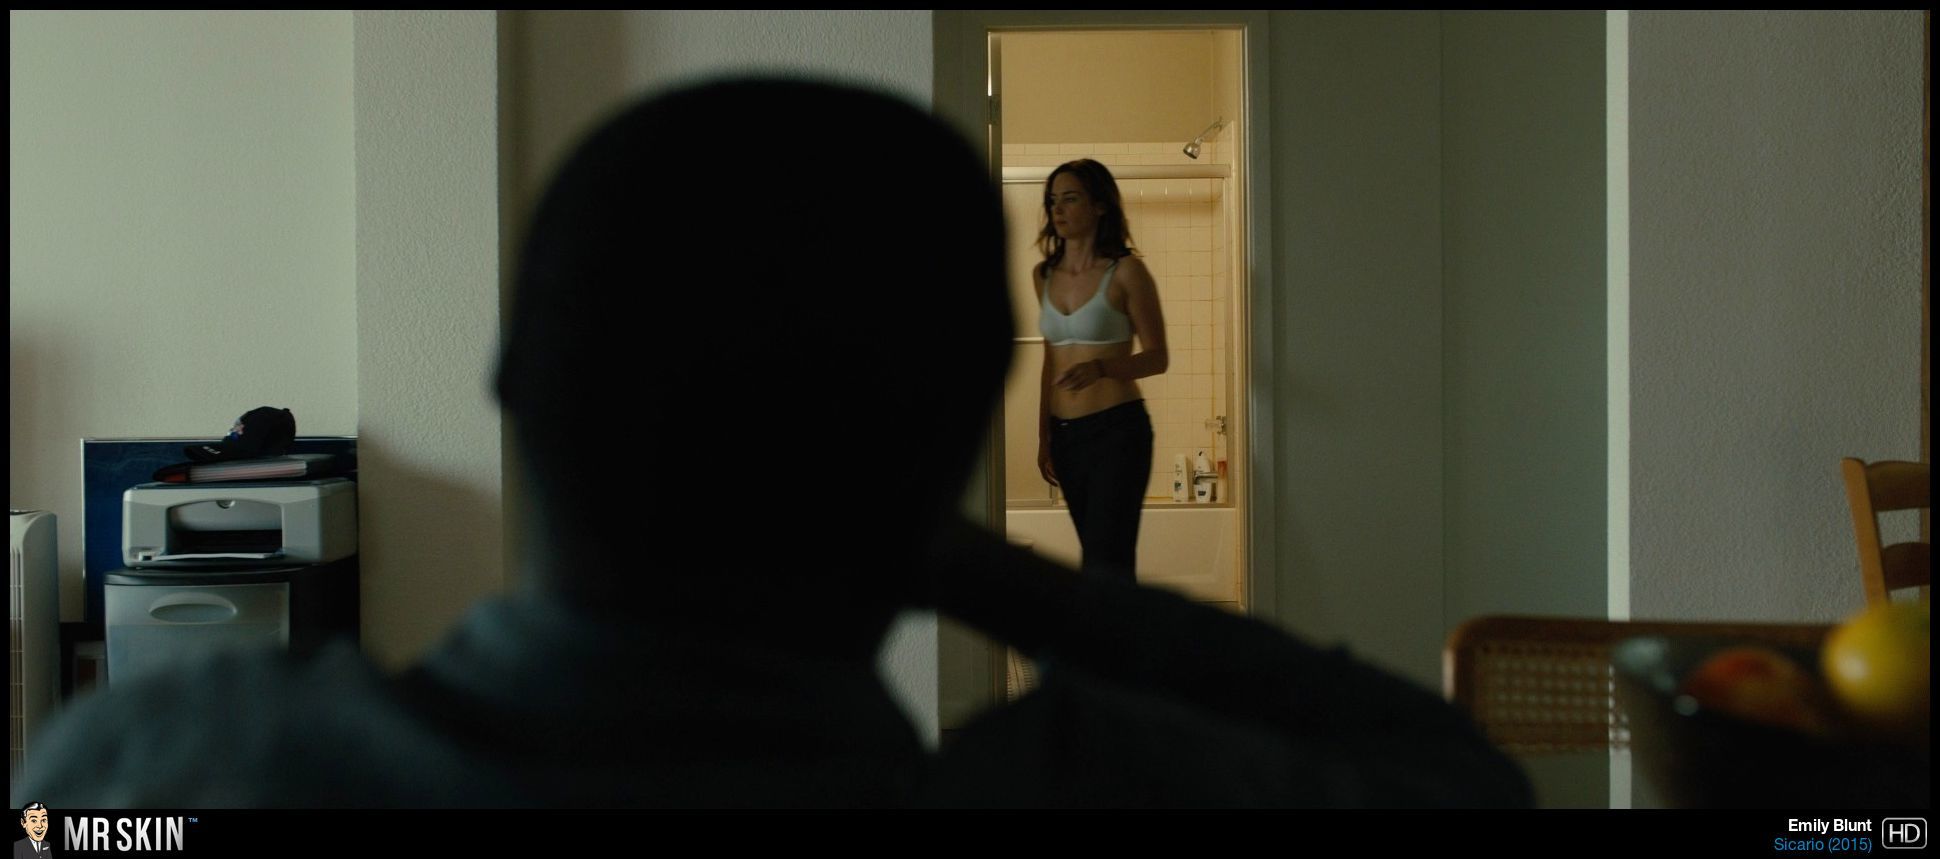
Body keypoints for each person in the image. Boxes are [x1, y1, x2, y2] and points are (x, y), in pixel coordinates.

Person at [14, 77, 1531, 809]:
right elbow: (1456, 782)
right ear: (942, 452)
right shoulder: (1088, 788)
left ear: (512, 384)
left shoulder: (157, 772)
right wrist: (997, 575)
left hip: (1109, 431)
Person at [1034, 159, 1164, 582]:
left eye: (1070, 199)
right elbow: (1050, 360)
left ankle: (1116, 628)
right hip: (1066, 436)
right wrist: (1044, 436)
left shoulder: (1126, 271)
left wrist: (1102, 368)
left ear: (1100, 206)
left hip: (1117, 432)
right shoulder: (1044, 275)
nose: (1058, 209)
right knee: (1097, 561)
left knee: (1106, 565)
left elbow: (1157, 358)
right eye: (1053, 200)